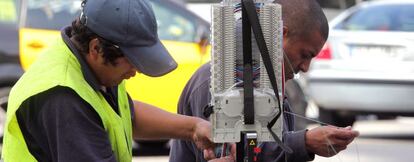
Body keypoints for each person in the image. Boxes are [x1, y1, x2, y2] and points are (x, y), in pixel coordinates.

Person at [2, 0, 215, 161]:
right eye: (133, 61)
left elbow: (123, 114)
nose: (136, 71)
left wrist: (194, 127)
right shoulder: (63, 98)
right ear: (96, 48)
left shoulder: (90, 66)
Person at [169, 0, 359, 162]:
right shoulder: (217, 84)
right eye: (305, 55)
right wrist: (305, 142)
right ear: (280, 35)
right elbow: (236, 152)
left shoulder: (274, 89)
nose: (305, 67)